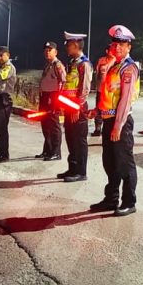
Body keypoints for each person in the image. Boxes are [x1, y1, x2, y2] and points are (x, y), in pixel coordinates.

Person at [90, 25, 140, 217]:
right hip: (109, 119)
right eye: (115, 44)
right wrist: (97, 110)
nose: (117, 47)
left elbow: (125, 100)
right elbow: (107, 93)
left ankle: (129, 201)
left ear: (129, 47)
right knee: (110, 162)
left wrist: (118, 125)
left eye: (122, 44)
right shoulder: (114, 66)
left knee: (125, 163)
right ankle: (111, 198)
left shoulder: (129, 68)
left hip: (121, 123)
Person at [58, 32, 92, 182]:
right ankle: (72, 168)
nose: (66, 47)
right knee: (70, 139)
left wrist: (77, 108)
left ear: (76, 45)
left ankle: (81, 172)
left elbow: (84, 88)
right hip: (69, 107)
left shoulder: (84, 64)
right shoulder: (72, 63)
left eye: (69, 45)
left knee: (79, 141)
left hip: (78, 108)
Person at [37, 41, 67, 161]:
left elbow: (64, 81)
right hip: (45, 97)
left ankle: (56, 152)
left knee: (54, 125)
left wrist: (57, 99)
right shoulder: (47, 65)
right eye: (46, 50)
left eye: (50, 50)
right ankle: (47, 150)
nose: (47, 52)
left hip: (53, 97)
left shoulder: (57, 65)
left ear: (56, 52)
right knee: (45, 124)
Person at [91, 42, 118, 137]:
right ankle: (98, 128)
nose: (113, 51)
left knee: (109, 110)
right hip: (100, 89)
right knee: (98, 108)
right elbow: (97, 73)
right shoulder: (101, 60)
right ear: (107, 51)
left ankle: (110, 127)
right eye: (111, 50)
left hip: (111, 91)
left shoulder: (117, 61)